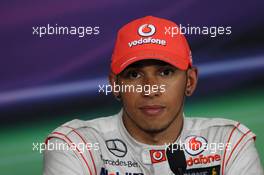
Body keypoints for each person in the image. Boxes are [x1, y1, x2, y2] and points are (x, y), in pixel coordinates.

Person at [43, 16, 263, 175]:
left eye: (165, 72)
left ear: (190, 81)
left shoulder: (228, 143)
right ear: (115, 85)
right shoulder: (75, 145)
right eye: (134, 74)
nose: (150, 88)